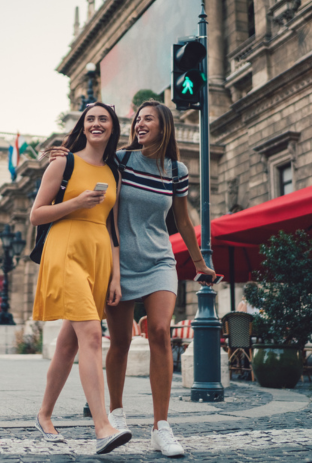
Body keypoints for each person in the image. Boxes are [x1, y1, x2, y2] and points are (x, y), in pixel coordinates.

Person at [49, 100, 216, 458]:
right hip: (118, 263)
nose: (139, 124)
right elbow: (86, 158)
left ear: (163, 126)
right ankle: (116, 413)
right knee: (121, 340)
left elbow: (183, 221)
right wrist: (65, 153)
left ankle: (161, 428)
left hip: (159, 260)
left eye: (148, 119)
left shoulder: (177, 170)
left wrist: (200, 262)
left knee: (158, 330)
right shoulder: (121, 161)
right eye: (137, 119)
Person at [31, 102, 131, 455]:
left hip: (98, 258)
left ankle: (43, 415)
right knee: (90, 334)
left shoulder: (114, 171)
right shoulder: (64, 162)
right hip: (65, 252)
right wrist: (76, 203)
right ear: (83, 126)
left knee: (69, 343)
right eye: (90, 119)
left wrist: (116, 276)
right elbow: (36, 215)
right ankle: (102, 426)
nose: (96, 123)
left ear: (113, 127)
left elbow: (114, 227)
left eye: (103, 118)